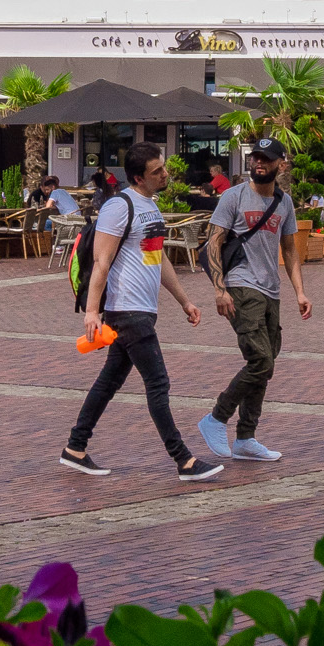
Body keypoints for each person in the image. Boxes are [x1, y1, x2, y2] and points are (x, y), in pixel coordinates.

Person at [62, 142, 220, 483]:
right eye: (157, 171)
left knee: (109, 381)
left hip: (144, 309)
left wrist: (184, 300)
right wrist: (92, 311)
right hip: (126, 309)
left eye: (163, 168)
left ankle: (75, 448)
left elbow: (157, 257)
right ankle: (184, 461)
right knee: (158, 383)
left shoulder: (151, 205)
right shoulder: (118, 208)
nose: (165, 174)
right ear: (138, 177)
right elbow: (102, 262)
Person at [198, 138, 310, 463]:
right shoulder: (233, 197)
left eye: (266, 159)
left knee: (265, 365)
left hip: (270, 290)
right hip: (240, 284)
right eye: (255, 158)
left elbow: (289, 250)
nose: (259, 163)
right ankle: (216, 418)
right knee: (261, 360)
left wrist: (300, 292)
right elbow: (214, 243)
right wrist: (220, 290)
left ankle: (246, 437)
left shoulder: (284, 202)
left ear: (281, 164)